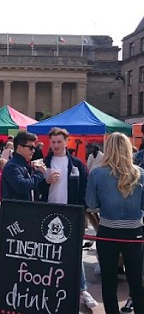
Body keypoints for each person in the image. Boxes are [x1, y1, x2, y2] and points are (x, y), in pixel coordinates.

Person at [37, 127, 97, 309]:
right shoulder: (42, 163)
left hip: (71, 214)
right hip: (48, 213)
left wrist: (81, 210)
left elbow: (84, 190)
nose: (55, 145)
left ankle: (82, 289)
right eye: (53, 142)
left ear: (66, 142)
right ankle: (47, 287)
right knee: (47, 253)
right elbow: (35, 188)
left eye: (59, 142)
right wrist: (44, 181)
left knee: (74, 253)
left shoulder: (77, 164)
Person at [85, 132, 144, 314]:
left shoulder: (97, 174)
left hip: (108, 231)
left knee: (109, 282)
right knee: (136, 281)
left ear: (108, 149)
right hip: (134, 233)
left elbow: (91, 204)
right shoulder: (140, 173)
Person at [1, 131, 45, 201]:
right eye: (31, 147)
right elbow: (22, 186)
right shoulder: (12, 166)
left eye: (34, 148)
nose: (33, 151)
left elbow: (33, 187)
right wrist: (39, 174)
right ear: (19, 148)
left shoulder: (25, 164)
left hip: (26, 209)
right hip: (15, 210)